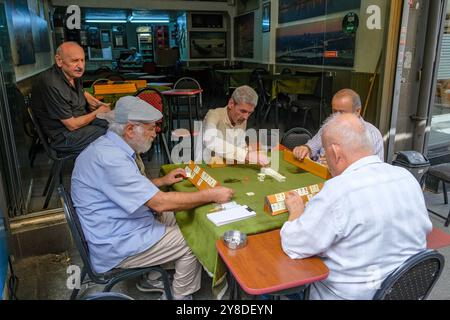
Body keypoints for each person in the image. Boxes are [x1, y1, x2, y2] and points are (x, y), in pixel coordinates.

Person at [71, 96, 234, 300]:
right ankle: (178, 297)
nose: (155, 133)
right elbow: (159, 203)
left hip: (118, 224)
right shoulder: (110, 159)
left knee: (187, 216)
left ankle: (153, 277)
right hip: (116, 242)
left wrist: (161, 181)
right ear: (130, 129)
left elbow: (123, 188)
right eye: (150, 128)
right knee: (194, 239)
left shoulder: (109, 147)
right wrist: (210, 194)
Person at [280, 113, 432, 300]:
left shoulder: (338, 191)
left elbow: (294, 244)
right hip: (403, 292)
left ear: (335, 153)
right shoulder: (406, 177)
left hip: (346, 296)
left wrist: (296, 211)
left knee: (273, 287)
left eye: (326, 154)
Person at [32, 41, 110, 155]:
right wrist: (98, 112)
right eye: (75, 61)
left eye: (82, 60)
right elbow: (72, 125)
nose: (80, 66)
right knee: (109, 133)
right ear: (59, 61)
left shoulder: (73, 74)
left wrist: (86, 95)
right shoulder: (51, 83)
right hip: (63, 136)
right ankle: (105, 170)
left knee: (113, 123)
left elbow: (73, 93)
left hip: (79, 124)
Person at [293, 89, 384, 162]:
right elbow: (312, 147)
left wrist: (337, 168)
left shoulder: (372, 135)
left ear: (357, 111)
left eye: (341, 112)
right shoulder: (328, 126)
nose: (336, 116)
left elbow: (376, 172)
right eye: (334, 111)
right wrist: (304, 149)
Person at [203, 85, 269, 166]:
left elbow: (240, 144)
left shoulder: (241, 119)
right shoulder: (213, 115)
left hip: (228, 164)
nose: (246, 117)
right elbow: (210, 141)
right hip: (206, 164)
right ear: (231, 103)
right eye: (243, 111)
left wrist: (252, 153)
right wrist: (246, 155)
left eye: (250, 112)